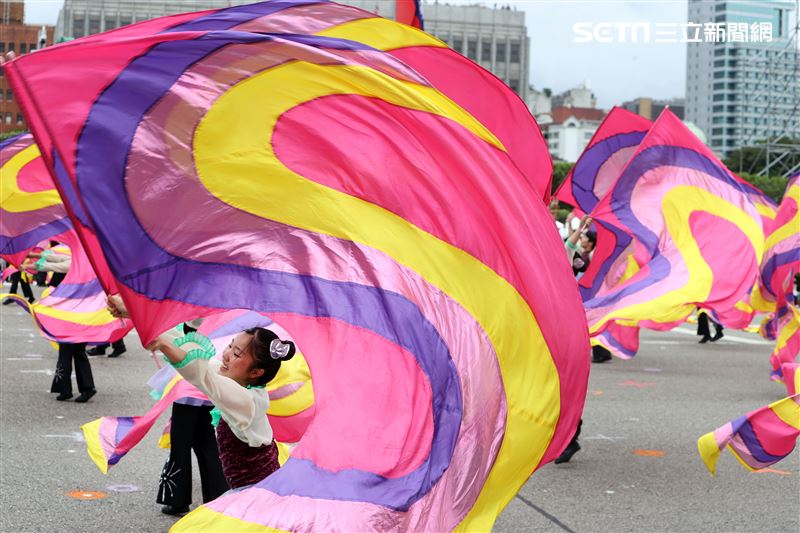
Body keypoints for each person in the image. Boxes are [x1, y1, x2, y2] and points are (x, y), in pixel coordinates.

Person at [25, 249, 96, 402]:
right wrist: (34, 257)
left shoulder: (82, 264)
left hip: (74, 314)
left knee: (69, 349)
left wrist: (30, 266)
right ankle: (79, 388)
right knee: (76, 350)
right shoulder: (82, 258)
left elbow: (59, 265)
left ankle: (72, 389)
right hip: (76, 313)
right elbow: (58, 258)